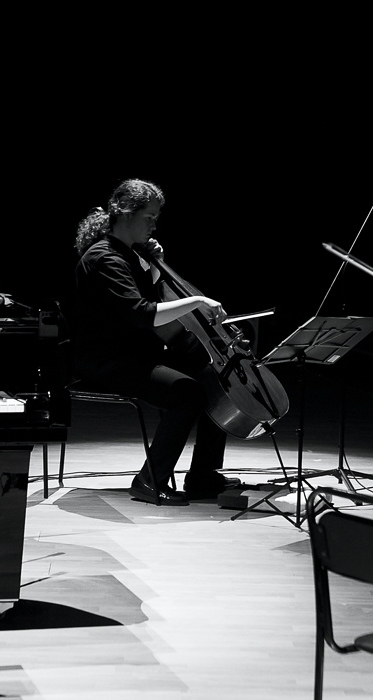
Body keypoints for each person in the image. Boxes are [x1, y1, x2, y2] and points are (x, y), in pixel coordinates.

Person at [71, 178, 239, 505]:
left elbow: (147, 299)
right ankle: (150, 481)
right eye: (149, 216)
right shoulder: (105, 259)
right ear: (125, 213)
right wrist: (197, 301)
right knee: (185, 392)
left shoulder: (128, 254)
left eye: (155, 217)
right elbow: (142, 314)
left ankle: (203, 476)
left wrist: (151, 266)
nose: (154, 223)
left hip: (136, 352)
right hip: (106, 361)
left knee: (214, 379)